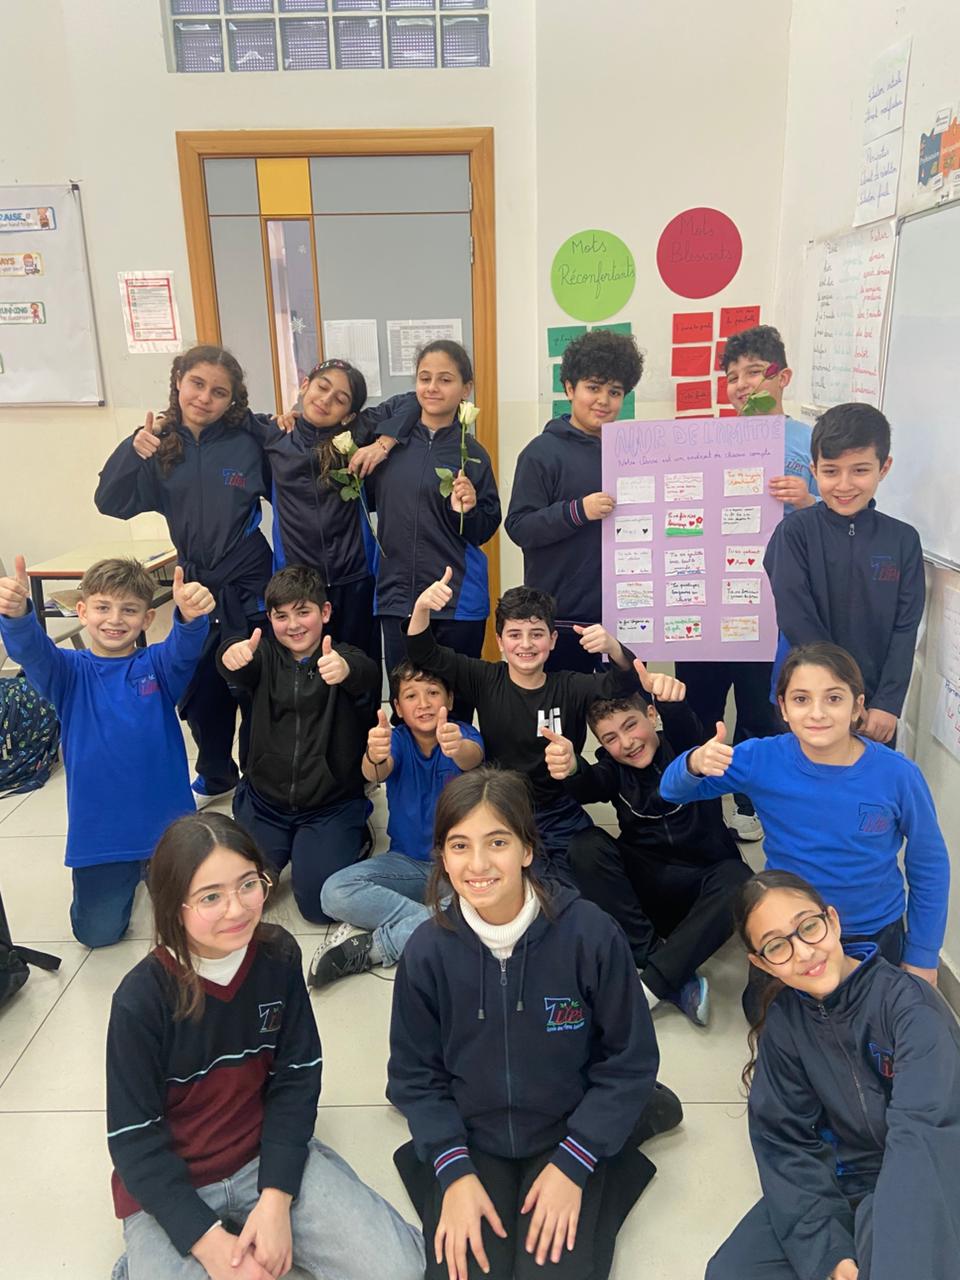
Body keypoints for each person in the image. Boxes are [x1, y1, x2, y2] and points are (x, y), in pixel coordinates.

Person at [387, 768, 679, 1280]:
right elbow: (414, 1076)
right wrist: (453, 1170)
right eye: (459, 845)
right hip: (473, 1136)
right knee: (468, 1270)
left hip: (565, 1129)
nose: (478, 864)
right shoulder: (426, 952)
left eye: (497, 842)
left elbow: (630, 1059)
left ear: (526, 848)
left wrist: (576, 1161)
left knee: (549, 1269)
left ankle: (619, 1145)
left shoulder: (590, 935)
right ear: (442, 857)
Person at [106, 811, 425, 1280]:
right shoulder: (140, 1000)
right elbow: (133, 1139)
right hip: (176, 1181)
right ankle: (140, 1260)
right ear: (174, 906)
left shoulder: (278, 955)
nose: (236, 909)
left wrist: (276, 1198)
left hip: (262, 1156)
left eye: (248, 885)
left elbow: (297, 1079)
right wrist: (206, 1241)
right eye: (210, 897)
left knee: (399, 1269)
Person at [660, 643, 950, 1014]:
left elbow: (929, 864)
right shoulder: (762, 758)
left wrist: (923, 956)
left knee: (871, 1028)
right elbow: (672, 790)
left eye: (833, 698)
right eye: (801, 699)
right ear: (782, 707)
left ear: (857, 706)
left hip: (873, 932)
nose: (817, 713)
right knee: (771, 1021)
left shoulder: (898, 775)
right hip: (788, 931)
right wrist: (694, 762)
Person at [706, 869, 960, 1280]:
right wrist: (829, 1254)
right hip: (846, 1175)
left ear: (833, 921)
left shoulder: (910, 1008)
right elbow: (784, 1142)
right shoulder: (785, 1024)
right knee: (732, 1271)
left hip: (929, 1172)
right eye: (777, 946)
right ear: (760, 963)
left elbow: (924, 1137)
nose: (804, 953)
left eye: (808, 927)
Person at [0, 555, 213, 948]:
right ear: (82, 611)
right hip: (101, 835)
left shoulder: (158, 665)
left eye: (129, 609)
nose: (115, 619)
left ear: (147, 618)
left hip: (169, 829)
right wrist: (17, 615)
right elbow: (33, 651)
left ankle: (154, 877)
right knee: (96, 935)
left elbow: (184, 649)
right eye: (103, 607)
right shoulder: (66, 672)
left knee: (195, 928)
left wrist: (190, 616)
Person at [95, 345, 273, 803]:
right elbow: (111, 502)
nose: (204, 398)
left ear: (232, 399)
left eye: (219, 391)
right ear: (178, 382)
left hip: (249, 579)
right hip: (194, 583)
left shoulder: (248, 441)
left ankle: (260, 779)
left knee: (256, 681)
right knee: (200, 687)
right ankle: (216, 773)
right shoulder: (157, 445)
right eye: (197, 384)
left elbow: (292, 491)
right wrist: (133, 450)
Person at [542, 663, 750, 1027]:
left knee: (741, 879)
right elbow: (590, 785)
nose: (626, 743)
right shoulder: (612, 768)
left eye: (631, 725)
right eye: (610, 738)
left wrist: (672, 703)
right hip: (647, 892)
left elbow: (688, 732)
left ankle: (651, 985)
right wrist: (572, 767)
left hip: (702, 887)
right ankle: (667, 965)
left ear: (651, 716)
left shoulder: (683, 746)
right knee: (585, 846)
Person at [676, 325, 819, 842]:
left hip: (773, 609)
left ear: (783, 376)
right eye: (733, 376)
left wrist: (808, 500)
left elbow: (842, 515)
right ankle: (696, 808)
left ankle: (746, 804)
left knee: (760, 712)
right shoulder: (710, 442)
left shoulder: (811, 442)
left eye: (754, 372)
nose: (742, 385)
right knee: (699, 707)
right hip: (707, 602)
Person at [406, 574, 641, 868]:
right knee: (512, 874)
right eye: (515, 634)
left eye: (537, 634)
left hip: (560, 811)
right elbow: (423, 653)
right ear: (500, 641)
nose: (526, 644)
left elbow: (626, 683)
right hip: (502, 808)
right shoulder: (485, 678)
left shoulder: (571, 686)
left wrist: (613, 648)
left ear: (552, 640)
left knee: (593, 865)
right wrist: (422, 608)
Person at [216, 565, 380, 924]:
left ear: (325, 612)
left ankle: (354, 834)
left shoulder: (341, 655)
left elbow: (366, 672)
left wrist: (345, 669)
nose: (293, 625)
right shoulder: (263, 656)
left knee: (318, 907)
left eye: (303, 612)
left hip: (329, 805)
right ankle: (280, 843)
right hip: (266, 802)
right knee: (243, 897)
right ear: (270, 619)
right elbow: (236, 666)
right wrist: (229, 654)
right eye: (281, 616)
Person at [310, 660, 484, 988]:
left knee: (481, 905)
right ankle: (436, 922)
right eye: (411, 695)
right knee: (333, 893)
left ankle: (378, 946)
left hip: (457, 867)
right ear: (398, 708)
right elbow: (376, 771)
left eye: (433, 693)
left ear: (449, 700)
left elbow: (471, 756)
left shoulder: (461, 734)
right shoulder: (396, 740)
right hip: (405, 863)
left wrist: (457, 747)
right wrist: (374, 756)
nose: (423, 703)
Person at [764, 401, 924, 747]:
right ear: (814, 469)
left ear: (884, 467)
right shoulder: (793, 533)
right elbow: (797, 619)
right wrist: (844, 696)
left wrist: (887, 703)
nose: (844, 484)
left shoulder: (904, 540)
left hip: (875, 709)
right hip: (806, 700)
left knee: (869, 782)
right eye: (831, 471)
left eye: (860, 470)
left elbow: (905, 627)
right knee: (800, 780)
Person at [365, 340, 501, 705]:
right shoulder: (388, 447)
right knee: (407, 706)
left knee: (456, 707)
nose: (432, 388)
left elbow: (486, 528)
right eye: (425, 378)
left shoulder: (473, 454)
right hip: (398, 598)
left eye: (445, 379)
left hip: (457, 601)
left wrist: (468, 510)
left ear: (466, 389)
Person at [505, 329, 645, 673]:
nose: (603, 400)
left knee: (625, 705)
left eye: (614, 392)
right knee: (561, 707)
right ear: (569, 388)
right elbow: (520, 527)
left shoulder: (634, 453)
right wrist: (578, 511)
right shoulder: (541, 452)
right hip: (561, 620)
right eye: (593, 388)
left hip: (622, 616)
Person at [249, 357, 406, 658]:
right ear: (304, 385)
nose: (326, 400)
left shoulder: (356, 434)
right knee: (304, 674)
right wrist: (166, 421)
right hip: (296, 584)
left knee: (360, 667)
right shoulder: (275, 433)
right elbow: (229, 416)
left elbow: (410, 402)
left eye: (340, 399)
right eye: (322, 387)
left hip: (354, 579)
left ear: (349, 416)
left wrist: (382, 445)